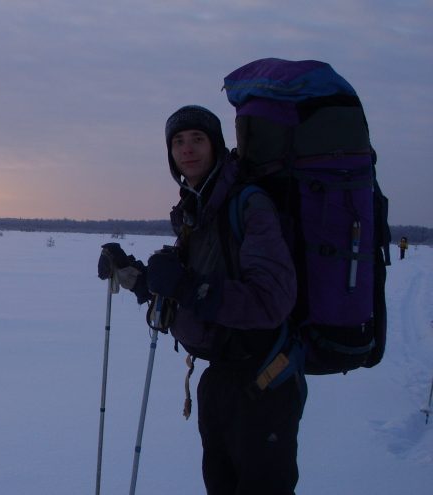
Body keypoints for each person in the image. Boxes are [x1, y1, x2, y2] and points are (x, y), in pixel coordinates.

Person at [98, 105, 305, 495]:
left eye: (197, 138)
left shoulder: (247, 204)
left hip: (264, 382)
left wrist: (187, 287)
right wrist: (128, 271)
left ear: (216, 145)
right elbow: (182, 290)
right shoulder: (198, 210)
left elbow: (271, 301)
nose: (186, 149)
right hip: (221, 382)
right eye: (177, 142)